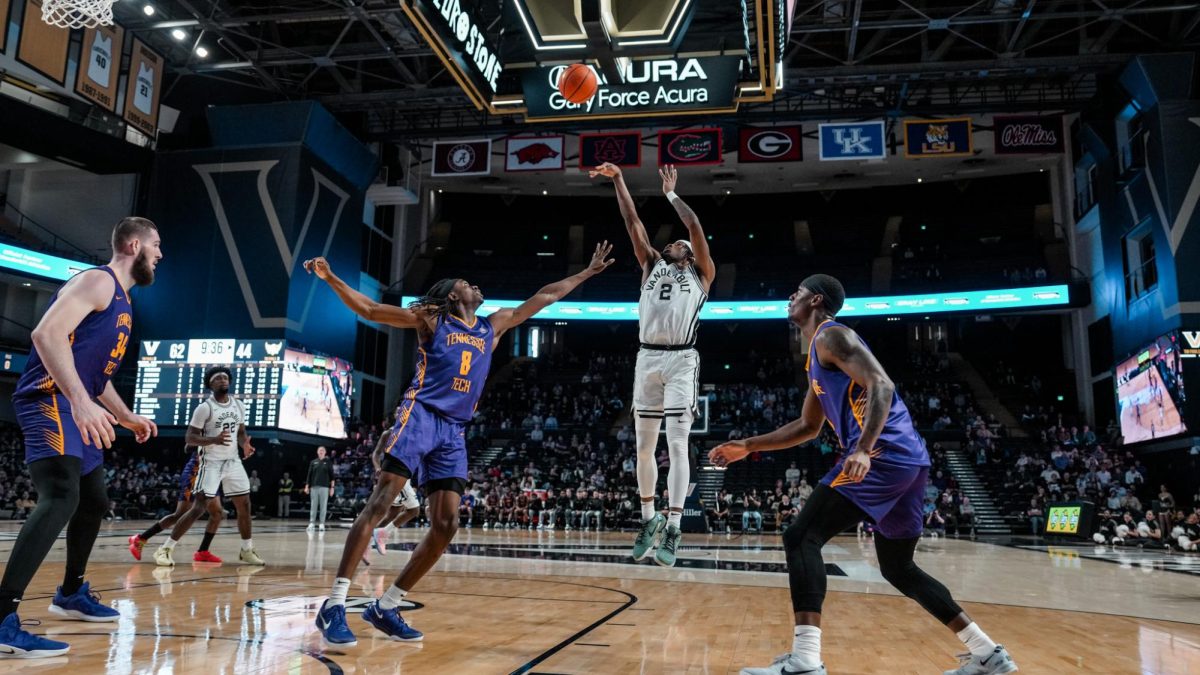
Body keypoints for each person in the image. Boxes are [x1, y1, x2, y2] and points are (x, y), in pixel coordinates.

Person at [305, 241, 614, 646]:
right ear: (453, 295)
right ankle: (335, 605)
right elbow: (372, 311)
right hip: (420, 416)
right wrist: (331, 279)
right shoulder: (433, 320)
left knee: (447, 524)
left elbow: (546, 295)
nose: (476, 286)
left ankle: (388, 605)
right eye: (467, 283)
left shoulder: (493, 324)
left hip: (454, 430)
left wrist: (587, 273)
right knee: (382, 502)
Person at [710, 274, 1017, 675]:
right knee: (898, 568)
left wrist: (863, 448)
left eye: (797, 292)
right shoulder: (817, 357)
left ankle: (804, 660)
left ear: (816, 300)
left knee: (801, 536)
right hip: (909, 461)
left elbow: (882, 385)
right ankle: (988, 653)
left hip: (884, 455)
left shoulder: (831, 336)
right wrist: (749, 445)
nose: (790, 297)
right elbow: (807, 427)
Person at [0, 217, 160, 658]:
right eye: (155, 245)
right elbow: (45, 334)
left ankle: (70, 593)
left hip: (76, 404)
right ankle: (1, 618)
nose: (160, 254)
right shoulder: (97, 281)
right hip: (49, 398)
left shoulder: (122, 301)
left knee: (95, 501)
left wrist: (124, 415)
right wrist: (80, 401)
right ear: (133, 245)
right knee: (62, 494)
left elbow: (94, 373)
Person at [591, 162, 715, 568]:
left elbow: (694, 224)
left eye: (681, 242)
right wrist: (619, 180)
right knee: (643, 447)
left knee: (676, 445)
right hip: (646, 357)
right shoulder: (650, 264)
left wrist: (671, 195)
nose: (674, 242)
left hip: (682, 358)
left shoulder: (701, 274)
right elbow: (631, 220)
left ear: (692, 253)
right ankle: (649, 520)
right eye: (673, 242)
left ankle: (675, 528)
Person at [153, 366, 264, 567]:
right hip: (210, 462)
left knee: (245, 505)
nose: (222, 380)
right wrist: (213, 439)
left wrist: (244, 444)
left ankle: (246, 550)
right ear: (210, 385)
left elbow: (240, 432)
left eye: (225, 377)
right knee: (198, 508)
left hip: (233, 461)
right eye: (217, 378)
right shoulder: (205, 408)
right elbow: (190, 438)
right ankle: (165, 549)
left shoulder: (238, 405)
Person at [128, 447, 226, 562]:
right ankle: (141, 539)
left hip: (212, 474)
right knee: (181, 515)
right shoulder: (205, 430)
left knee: (217, 513)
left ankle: (203, 551)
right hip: (195, 472)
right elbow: (188, 446)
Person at [306, 446, 335, 532]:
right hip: (314, 487)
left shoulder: (328, 462)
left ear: (325, 452)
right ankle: (312, 523)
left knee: (323, 506)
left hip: (325, 487)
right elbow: (309, 475)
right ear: (317, 452)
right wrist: (307, 486)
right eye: (320, 450)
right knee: (313, 505)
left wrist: (332, 488)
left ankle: (322, 523)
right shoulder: (313, 462)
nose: (321, 451)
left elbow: (332, 476)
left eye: (323, 450)